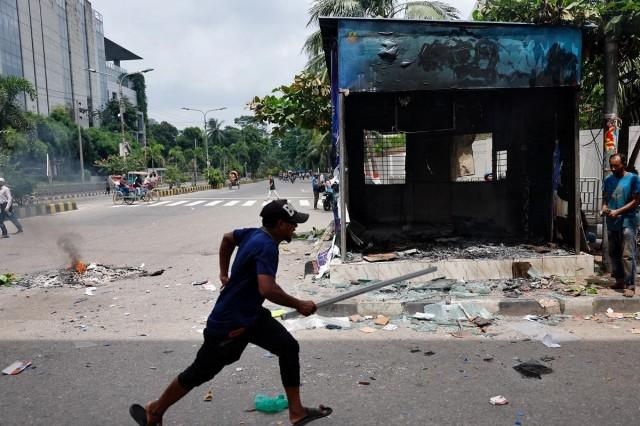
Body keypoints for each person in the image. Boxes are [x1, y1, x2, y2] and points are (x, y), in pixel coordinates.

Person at [129, 200, 332, 426]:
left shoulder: (252, 234)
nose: (295, 227)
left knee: (288, 347)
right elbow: (267, 288)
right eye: (292, 223)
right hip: (230, 322)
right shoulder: (267, 246)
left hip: (251, 316)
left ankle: (297, 411)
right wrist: (299, 304)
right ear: (280, 224)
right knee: (200, 371)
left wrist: (224, 274)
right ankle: (155, 410)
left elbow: (227, 238)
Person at [602, 153, 640, 297]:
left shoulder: (633, 179)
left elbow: (636, 201)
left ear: (623, 164)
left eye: (616, 166)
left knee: (627, 254)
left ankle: (630, 285)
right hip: (612, 221)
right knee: (614, 253)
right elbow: (605, 198)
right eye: (611, 165)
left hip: (628, 221)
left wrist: (618, 211)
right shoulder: (608, 180)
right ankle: (619, 280)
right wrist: (605, 207)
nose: (612, 168)